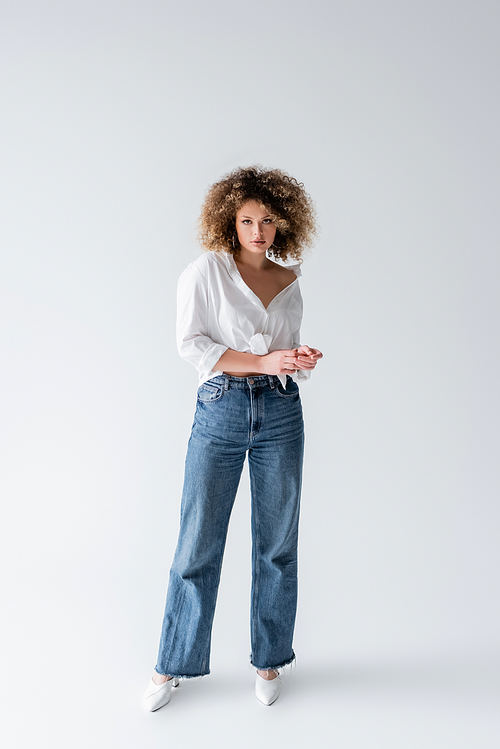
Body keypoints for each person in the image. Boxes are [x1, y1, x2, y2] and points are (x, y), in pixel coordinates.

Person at [143, 165, 323, 710]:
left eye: (268, 220)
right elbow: (192, 344)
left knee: (277, 544)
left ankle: (270, 658)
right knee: (198, 540)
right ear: (231, 221)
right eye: (248, 220)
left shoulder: (291, 281)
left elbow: (280, 354)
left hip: (280, 409)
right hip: (220, 408)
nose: (258, 230)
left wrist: (295, 359)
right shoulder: (206, 271)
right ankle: (171, 664)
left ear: (283, 223)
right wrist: (266, 357)